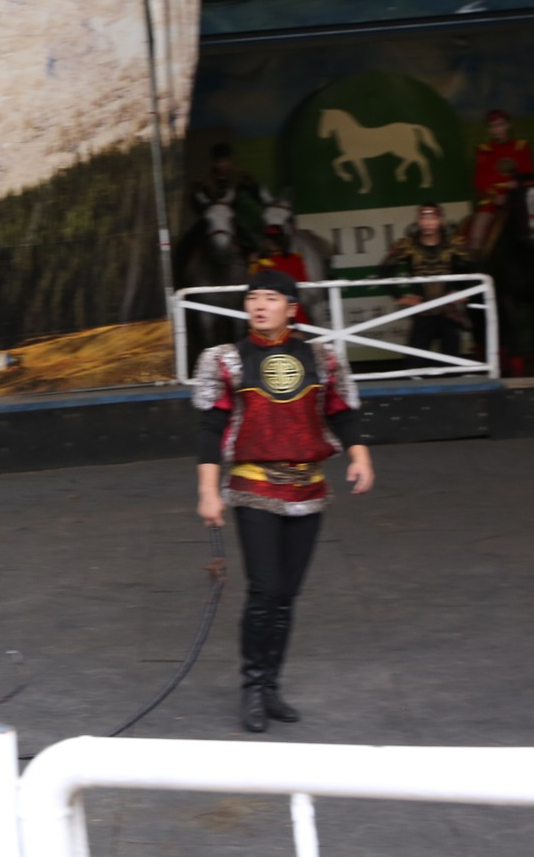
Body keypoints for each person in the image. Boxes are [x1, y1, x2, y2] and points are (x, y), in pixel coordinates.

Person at [193, 269, 373, 733]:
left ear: (291, 307)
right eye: (253, 297)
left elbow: (341, 410)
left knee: (286, 595)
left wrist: (359, 455)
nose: (260, 304)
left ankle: (271, 685)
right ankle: (252, 687)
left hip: (309, 488)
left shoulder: (322, 359)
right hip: (254, 486)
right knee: (264, 589)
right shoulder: (228, 360)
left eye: (271, 297)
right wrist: (208, 491)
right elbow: (211, 429)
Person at [378, 202, 474, 364]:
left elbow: (476, 267)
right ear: (418, 221)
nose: (428, 222)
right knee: (413, 365)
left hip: (449, 314)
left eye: (433, 217)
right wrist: (400, 297)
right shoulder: (407, 246)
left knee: (452, 365)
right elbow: (384, 271)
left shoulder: (455, 244)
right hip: (422, 314)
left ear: (441, 220)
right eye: (424, 217)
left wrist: (464, 293)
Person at [470, 109, 533, 246]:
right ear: (490, 130)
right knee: (476, 235)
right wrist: (495, 197)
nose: (497, 129)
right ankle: (476, 266)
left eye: (500, 125)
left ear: (508, 125)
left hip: (519, 201)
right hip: (492, 203)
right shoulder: (484, 150)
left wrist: (517, 185)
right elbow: (479, 181)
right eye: (493, 126)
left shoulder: (521, 147)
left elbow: (529, 176)